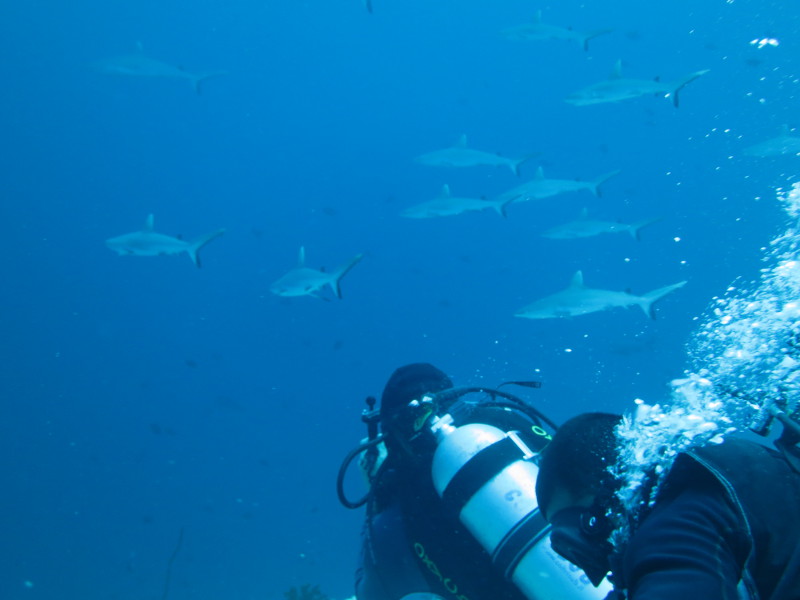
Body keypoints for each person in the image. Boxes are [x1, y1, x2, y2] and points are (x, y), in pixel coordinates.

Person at [339, 363, 605, 600]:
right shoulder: (502, 422)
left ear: (388, 434)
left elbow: (371, 591)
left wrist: (378, 497)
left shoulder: (397, 516)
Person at [534, 412, 800, 600]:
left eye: (572, 531)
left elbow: (674, 562)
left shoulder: (676, 524)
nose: (584, 557)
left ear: (602, 496)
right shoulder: (725, 471)